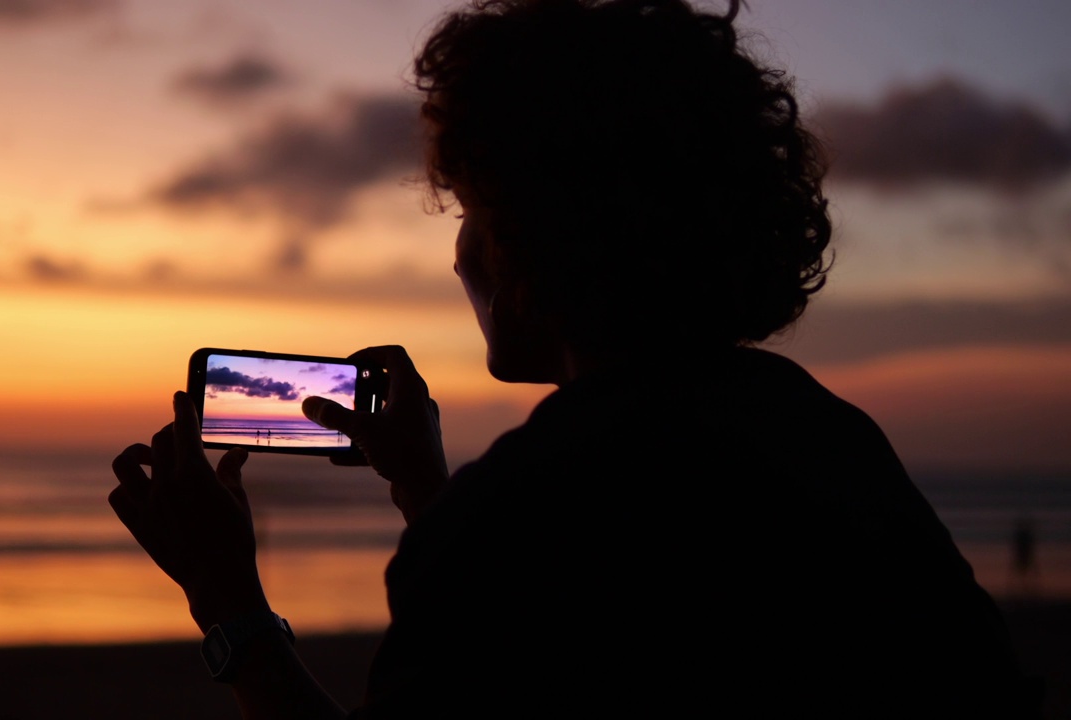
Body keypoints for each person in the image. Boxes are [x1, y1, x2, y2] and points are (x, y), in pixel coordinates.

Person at [108, 1, 1044, 716]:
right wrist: (426, 491)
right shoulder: (826, 438)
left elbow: (535, 574)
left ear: (530, 238)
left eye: (471, 209)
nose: (458, 251)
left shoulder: (520, 518)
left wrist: (226, 601)